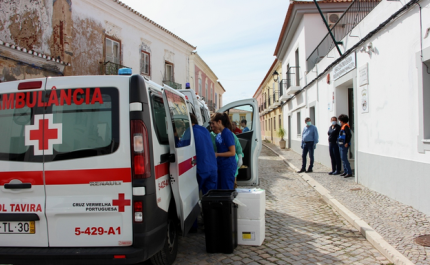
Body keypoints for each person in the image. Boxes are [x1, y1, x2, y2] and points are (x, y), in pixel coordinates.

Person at [210, 120, 244, 188]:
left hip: (228, 164)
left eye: (213, 124)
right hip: (219, 163)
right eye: (211, 125)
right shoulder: (212, 135)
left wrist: (240, 157)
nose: (212, 127)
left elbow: (237, 147)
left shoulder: (228, 134)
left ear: (219, 122)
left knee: (230, 186)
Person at [189, 113, 217, 195]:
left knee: (194, 198)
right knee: (211, 198)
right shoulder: (204, 130)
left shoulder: (190, 131)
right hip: (212, 168)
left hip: (201, 169)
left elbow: (181, 147)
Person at [211, 113, 237, 189]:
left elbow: (232, 152)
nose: (212, 125)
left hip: (227, 168)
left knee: (226, 191)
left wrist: (217, 154)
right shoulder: (219, 134)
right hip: (221, 166)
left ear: (219, 122)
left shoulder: (227, 133)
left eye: (213, 123)